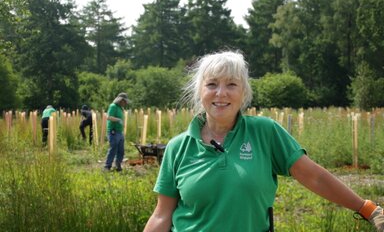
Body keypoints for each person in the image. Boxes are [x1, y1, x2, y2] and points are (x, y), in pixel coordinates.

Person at [144, 51, 384, 232]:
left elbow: (315, 176)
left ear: (244, 93)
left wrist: (368, 209)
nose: (221, 93)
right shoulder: (178, 147)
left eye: (231, 84)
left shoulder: (265, 133)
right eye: (212, 84)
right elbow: (162, 215)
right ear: (200, 92)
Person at [104, 92, 129, 172]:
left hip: (119, 132)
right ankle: (107, 166)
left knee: (121, 150)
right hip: (113, 131)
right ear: (120, 100)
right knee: (113, 149)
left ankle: (118, 165)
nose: (125, 103)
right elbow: (108, 117)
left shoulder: (120, 108)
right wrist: (118, 120)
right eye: (124, 101)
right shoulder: (113, 106)